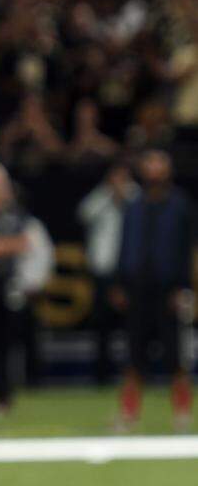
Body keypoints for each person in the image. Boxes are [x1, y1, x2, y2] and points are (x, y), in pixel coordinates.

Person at [113, 150, 193, 431]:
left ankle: (182, 414)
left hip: (168, 290)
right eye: (150, 163)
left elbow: (186, 251)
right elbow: (124, 245)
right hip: (137, 290)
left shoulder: (180, 205)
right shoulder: (133, 205)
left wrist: (184, 288)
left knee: (176, 357)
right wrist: (120, 282)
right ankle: (128, 414)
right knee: (134, 356)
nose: (154, 169)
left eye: (160, 163)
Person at [0, 162, 45, 412]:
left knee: (12, 341)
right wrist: (7, 245)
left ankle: (14, 391)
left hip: (11, 285)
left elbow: (27, 243)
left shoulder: (17, 215)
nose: (3, 192)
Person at [77, 161, 139, 384]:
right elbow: (83, 213)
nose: (118, 182)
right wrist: (108, 194)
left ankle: (136, 373)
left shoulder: (136, 196)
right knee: (102, 324)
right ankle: (102, 375)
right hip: (103, 271)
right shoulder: (101, 196)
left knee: (135, 324)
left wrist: (124, 197)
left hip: (130, 270)